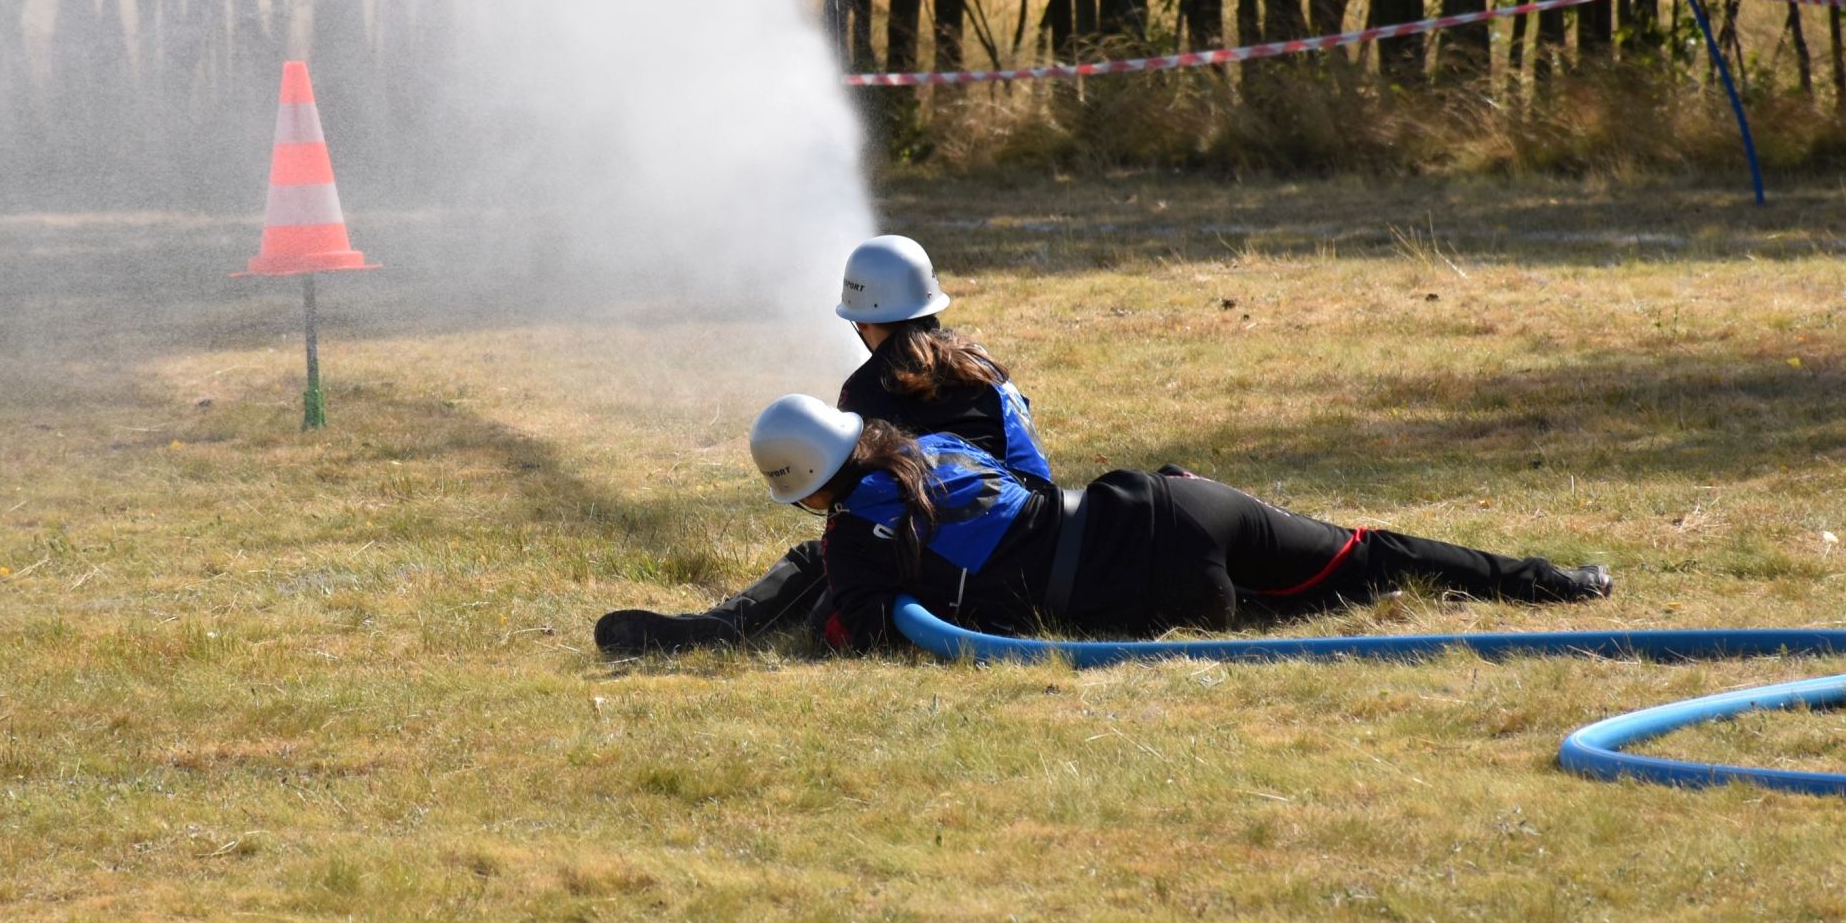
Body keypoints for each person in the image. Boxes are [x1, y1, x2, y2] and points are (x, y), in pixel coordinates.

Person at [741, 395, 1611, 654]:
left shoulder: (852, 532)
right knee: (1366, 557)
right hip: (1178, 500)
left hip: (1151, 586)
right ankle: (1552, 580)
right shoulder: (928, 444)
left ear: (810, 488)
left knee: (1280, 610)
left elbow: (864, 632)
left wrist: (828, 612)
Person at [595, 235, 1049, 657]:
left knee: (822, 566)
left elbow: (853, 511)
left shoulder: (873, 386)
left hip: (973, 560)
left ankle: (719, 627)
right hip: (1040, 537)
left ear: (861, 320)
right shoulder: (981, 364)